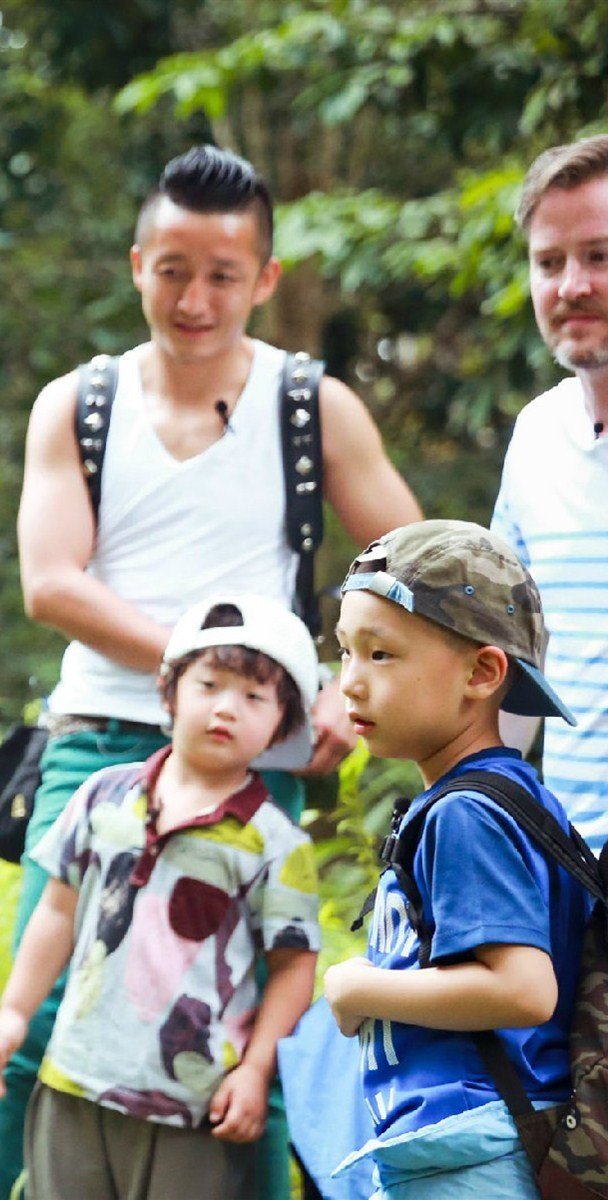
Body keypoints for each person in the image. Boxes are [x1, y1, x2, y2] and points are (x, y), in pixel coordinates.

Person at [0, 144, 422, 1200]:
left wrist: (345, 691)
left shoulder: (313, 409)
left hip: (261, 769)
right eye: (172, 269)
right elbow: (51, 583)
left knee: (247, 1031)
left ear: (264, 278)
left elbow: (413, 567)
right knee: (38, 1029)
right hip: (101, 744)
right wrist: (213, 664)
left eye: (222, 273)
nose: (195, 298)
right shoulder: (78, 405)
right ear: (136, 266)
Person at [0, 595, 322, 1199]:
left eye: (254, 697)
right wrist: (13, 1014)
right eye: (209, 684)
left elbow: (293, 967)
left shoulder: (276, 844)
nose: (225, 708)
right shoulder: (102, 795)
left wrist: (257, 1070)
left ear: (282, 725)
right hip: (73, 1079)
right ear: (169, 692)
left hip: (192, 1103)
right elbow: (57, 913)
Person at [325, 520, 587, 1198]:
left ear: (481, 672)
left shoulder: (466, 814)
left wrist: (357, 988)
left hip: (474, 1149)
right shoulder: (488, 801)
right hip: (464, 1146)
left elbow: (523, 991)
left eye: (380, 656)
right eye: (345, 652)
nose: (350, 683)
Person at [492, 135, 608, 846]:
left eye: (600, 256)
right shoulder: (537, 434)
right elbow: (508, 662)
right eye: (549, 262)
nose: (572, 286)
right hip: (575, 869)